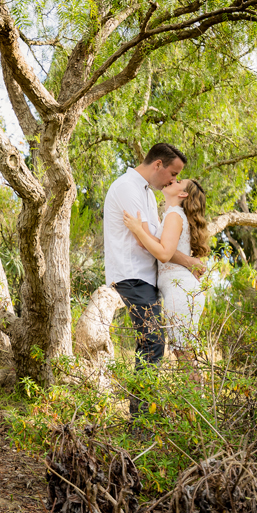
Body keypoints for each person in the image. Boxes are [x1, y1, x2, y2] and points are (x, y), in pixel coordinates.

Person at [103, 143, 203, 416]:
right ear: (158, 164)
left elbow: (162, 245)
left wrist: (188, 262)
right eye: (173, 173)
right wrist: (187, 261)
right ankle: (140, 420)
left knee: (156, 342)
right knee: (153, 341)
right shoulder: (128, 188)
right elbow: (147, 242)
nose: (173, 180)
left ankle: (149, 414)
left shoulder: (147, 194)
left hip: (149, 278)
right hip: (132, 275)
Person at [123, 178, 209, 376]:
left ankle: (197, 404)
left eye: (179, 181)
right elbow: (162, 245)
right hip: (178, 289)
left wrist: (137, 230)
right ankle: (197, 402)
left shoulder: (174, 215)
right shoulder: (173, 215)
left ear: (183, 194)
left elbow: (163, 252)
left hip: (180, 291)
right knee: (184, 354)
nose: (171, 180)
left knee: (184, 355)